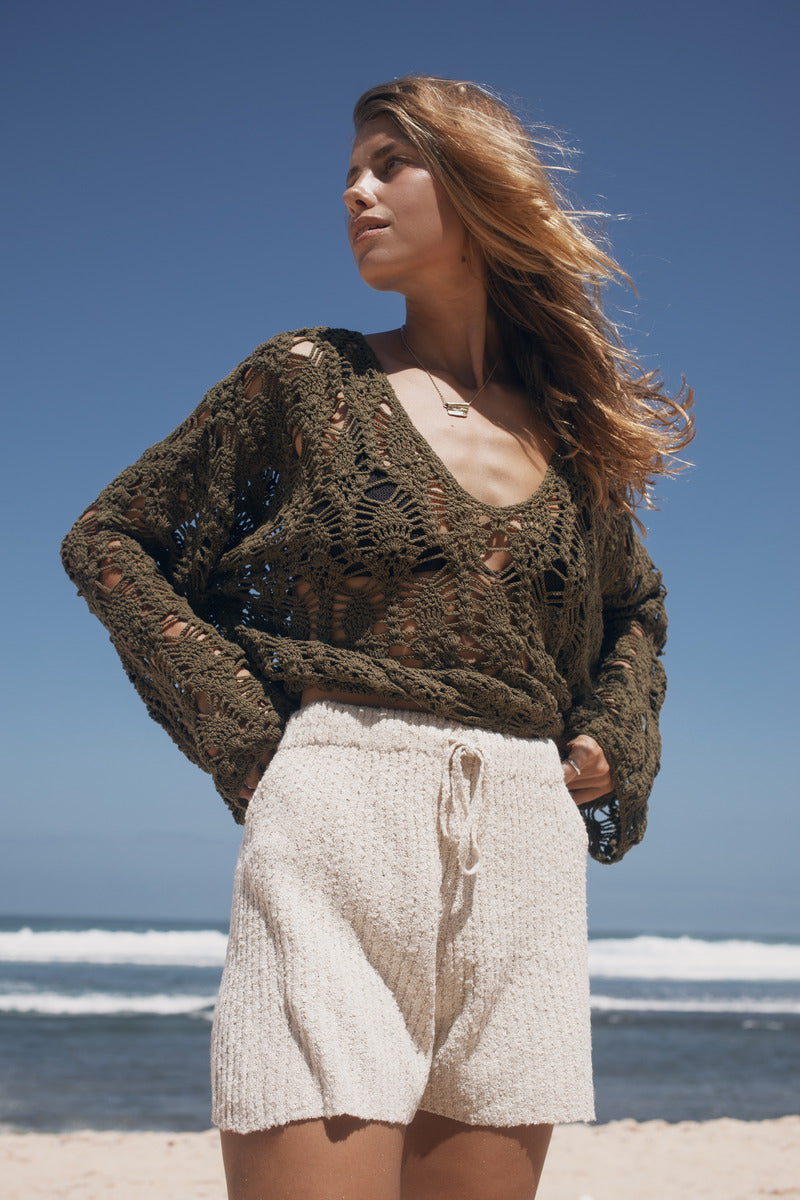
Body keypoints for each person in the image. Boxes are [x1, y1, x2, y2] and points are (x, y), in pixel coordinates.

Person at [61, 75, 693, 1200]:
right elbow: (113, 542)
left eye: (389, 164)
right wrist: (248, 735)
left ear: (478, 185)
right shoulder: (310, 380)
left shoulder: (569, 433)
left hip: (525, 853)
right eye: (350, 170)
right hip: (337, 821)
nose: (355, 192)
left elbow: (631, 611)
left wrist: (612, 734)